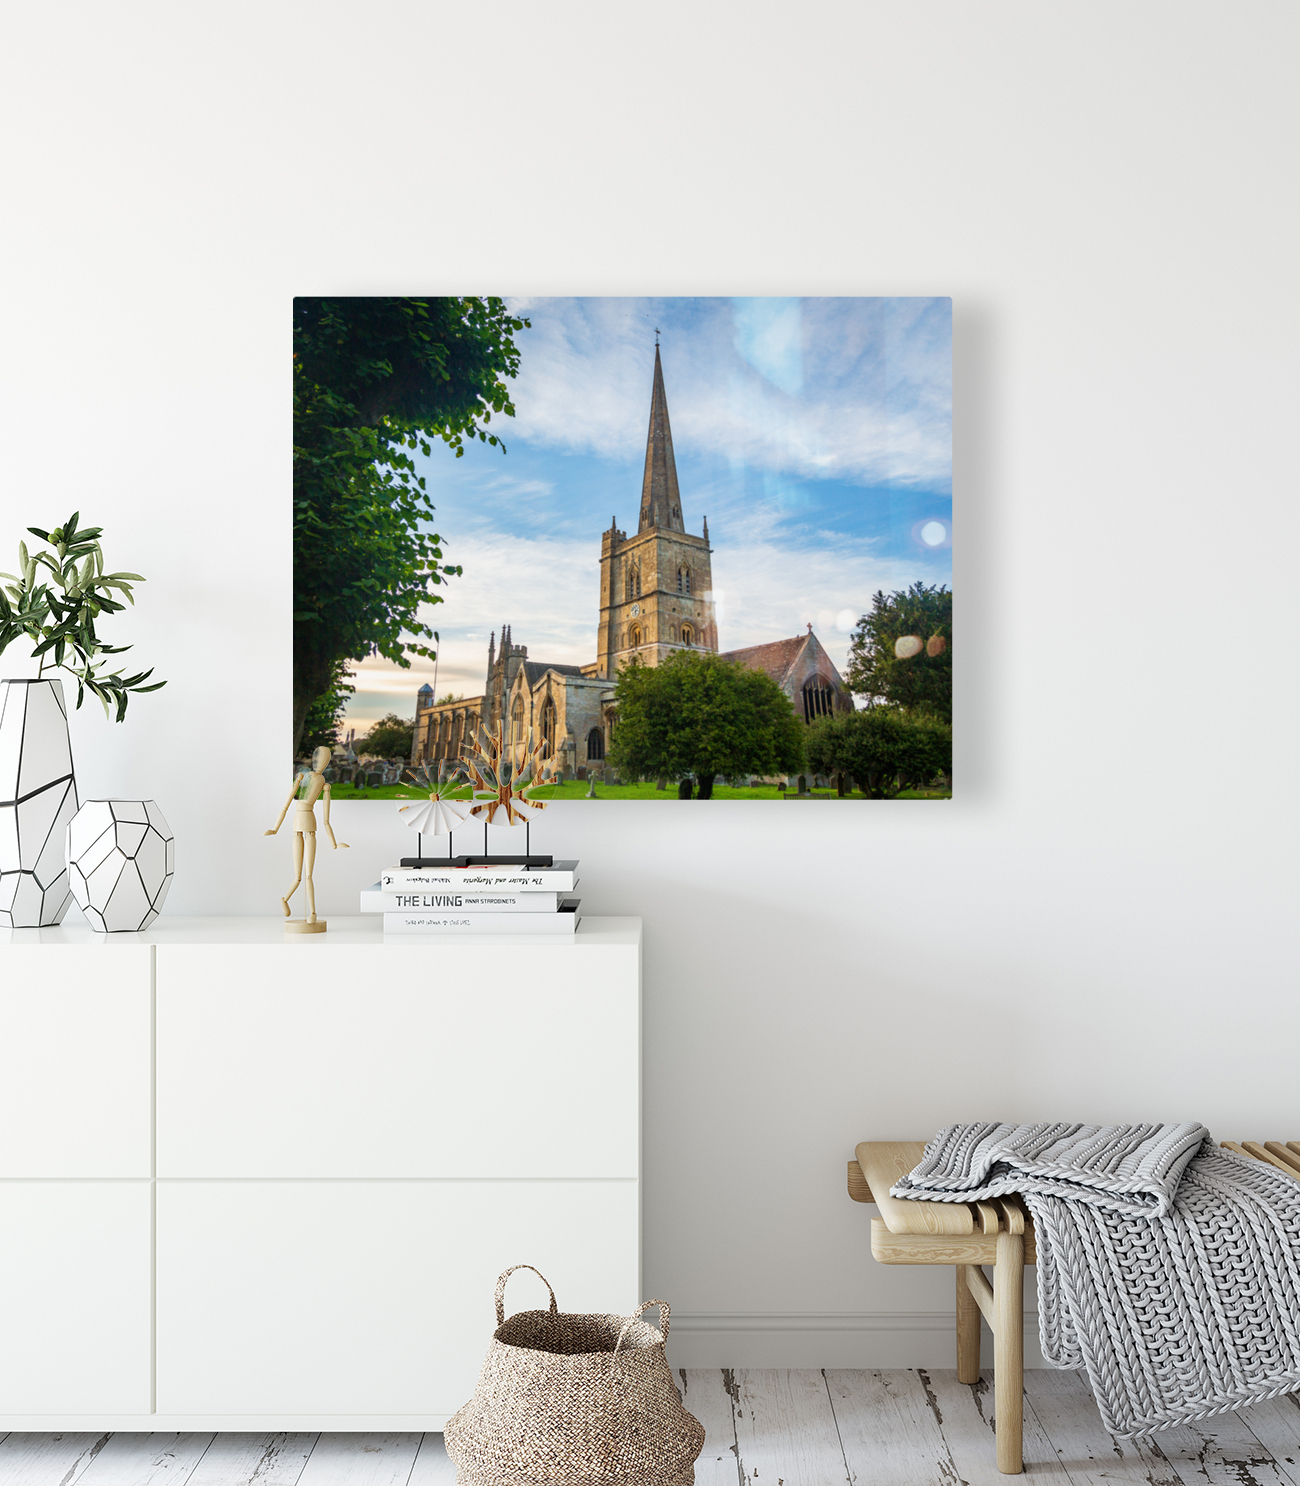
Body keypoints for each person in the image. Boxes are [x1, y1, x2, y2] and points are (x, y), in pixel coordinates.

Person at [264, 744, 348, 927]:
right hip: (298, 824)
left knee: (309, 875)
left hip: (310, 825)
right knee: (298, 876)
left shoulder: (323, 783)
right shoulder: (304, 778)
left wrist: (334, 843)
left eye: (324, 760)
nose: (320, 763)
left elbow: (326, 820)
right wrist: (275, 828)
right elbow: (285, 805)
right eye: (319, 758)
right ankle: (285, 899)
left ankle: (312, 912)